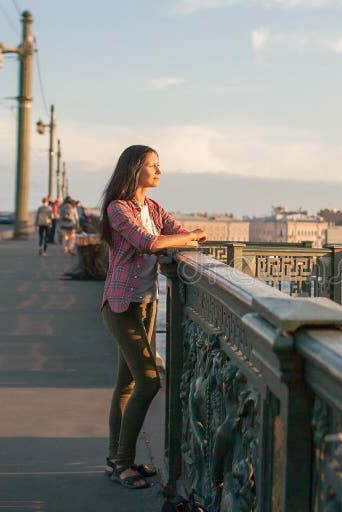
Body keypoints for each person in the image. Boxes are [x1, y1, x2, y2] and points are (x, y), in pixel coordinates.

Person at [99, 145, 206, 489]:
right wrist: (185, 236)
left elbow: (176, 235)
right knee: (148, 381)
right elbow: (148, 242)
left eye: (159, 165)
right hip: (121, 304)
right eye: (153, 166)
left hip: (147, 303)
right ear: (134, 170)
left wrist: (188, 236)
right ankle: (123, 462)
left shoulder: (153, 207)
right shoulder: (118, 209)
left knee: (127, 382)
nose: (159, 171)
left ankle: (115, 459)